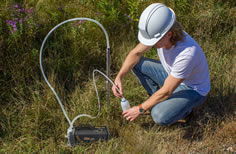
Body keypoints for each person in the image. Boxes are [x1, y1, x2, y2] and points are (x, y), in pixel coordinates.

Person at [112, 3, 210, 125]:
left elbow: (167, 91)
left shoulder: (186, 54)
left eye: (153, 41)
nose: (151, 44)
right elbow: (136, 54)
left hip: (192, 89)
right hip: (172, 76)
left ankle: (185, 112)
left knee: (158, 115)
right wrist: (119, 77)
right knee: (137, 64)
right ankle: (159, 101)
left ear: (169, 34)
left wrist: (140, 109)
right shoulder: (160, 33)